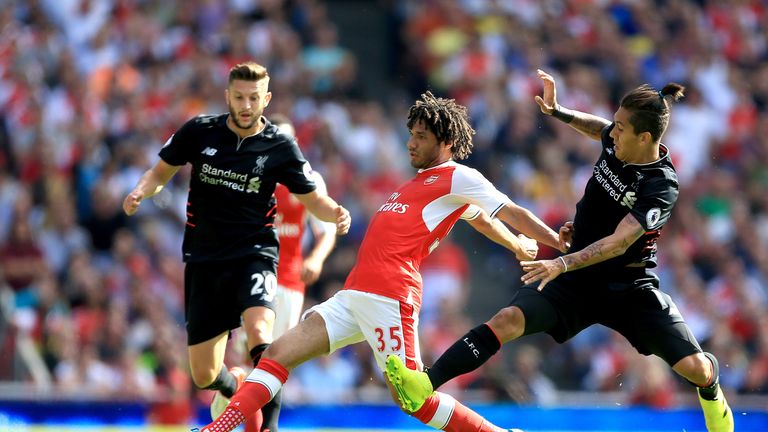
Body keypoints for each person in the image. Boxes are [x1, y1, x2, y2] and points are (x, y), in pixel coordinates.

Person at [385, 69, 735, 432]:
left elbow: (618, 242)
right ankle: (424, 383)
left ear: (645, 137)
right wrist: (557, 111)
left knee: (695, 369)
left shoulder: (661, 185)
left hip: (628, 288)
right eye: (614, 125)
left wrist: (563, 263)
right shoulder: (618, 142)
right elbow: (597, 126)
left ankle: (711, 389)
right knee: (507, 320)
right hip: (575, 280)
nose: (611, 133)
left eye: (620, 128)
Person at [196, 91, 564, 432]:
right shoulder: (421, 183)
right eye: (412, 134)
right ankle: (217, 429)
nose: (411, 142)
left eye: (421, 136)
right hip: (354, 294)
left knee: (413, 397)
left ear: (446, 142)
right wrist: (515, 243)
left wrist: (557, 243)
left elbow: (509, 210)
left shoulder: (459, 176)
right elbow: (479, 218)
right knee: (277, 354)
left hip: (390, 295)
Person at [122, 61, 351, 429]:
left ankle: (269, 426)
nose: (246, 106)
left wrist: (336, 211)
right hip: (205, 260)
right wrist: (140, 191)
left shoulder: (279, 145)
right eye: (240, 97)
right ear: (228, 96)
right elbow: (159, 172)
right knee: (203, 374)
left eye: (254, 98)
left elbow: (313, 199)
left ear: (266, 99)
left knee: (263, 336)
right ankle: (235, 386)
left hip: (255, 254)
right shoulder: (199, 131)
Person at [261, 114, 339, 432]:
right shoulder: (248, 172)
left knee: (275, 356)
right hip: (247, 276)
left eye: (289, 139)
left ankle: (268, 427)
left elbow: (327, 230)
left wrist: (317, 259)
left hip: (289, 281)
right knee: (240, 360)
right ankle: (227, 422)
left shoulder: (308, 178)